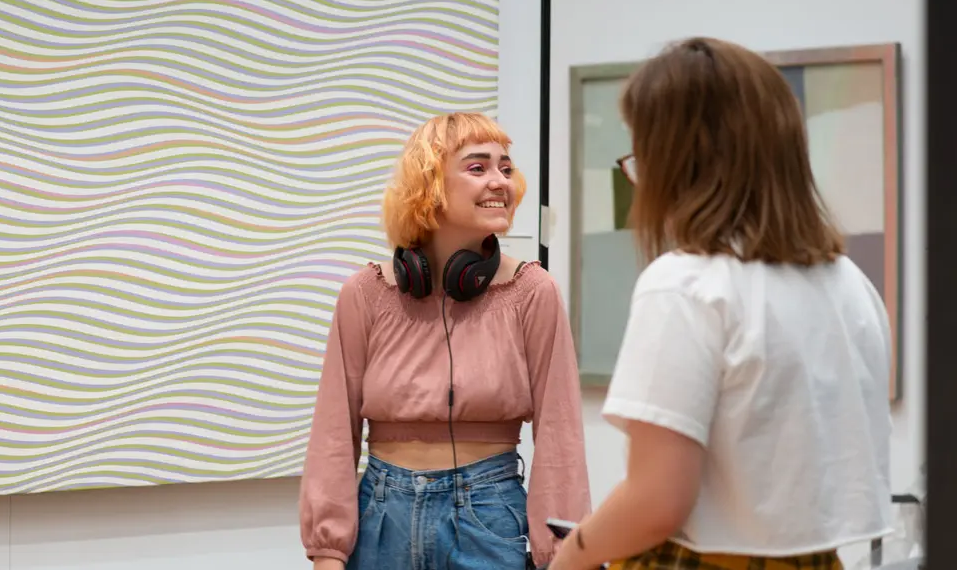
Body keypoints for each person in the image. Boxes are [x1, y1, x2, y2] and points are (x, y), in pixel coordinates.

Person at [547, 37, 894, 570]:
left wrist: (570, 556)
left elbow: (657, 501)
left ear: (677, 163)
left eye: (642, 158)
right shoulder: (849, 283)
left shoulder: (686, 285)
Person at [298, 111, 593, 569]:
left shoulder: (532, 292)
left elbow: (561, 432)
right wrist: (328, 552)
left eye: (506, 168)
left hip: (490, 514)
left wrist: (562, 552)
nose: (500, 182)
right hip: (380, 515)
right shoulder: (366, 293)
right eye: (478, 168)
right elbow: (334, 430)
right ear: (429, 184)